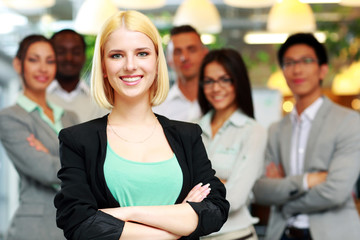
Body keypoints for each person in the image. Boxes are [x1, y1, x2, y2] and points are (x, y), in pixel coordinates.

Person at [54, 10, 229, 240]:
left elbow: (215, 210)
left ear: (157, 62)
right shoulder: (77, 140)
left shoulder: (188, 135)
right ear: (104, 67)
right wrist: (175, 225)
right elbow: (80, 223)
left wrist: (129, 213)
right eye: (116, 55)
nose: (130, 65)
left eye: (142, 53)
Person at [253, 33, 360, 240]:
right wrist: (306, 181)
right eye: (289, 63)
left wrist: (284, 198)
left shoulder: (349, 121)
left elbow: (335, 191)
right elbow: (261, 190)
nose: (297, 69)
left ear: (323, 69)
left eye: (306, 61)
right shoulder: (276, 130)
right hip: (282, 233)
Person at [0, 34, 78, 240]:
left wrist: (52, 156)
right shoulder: (10, 118)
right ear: (18, 64)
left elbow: (90, 167)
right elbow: (47, 171)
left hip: (77, 225)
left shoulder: (70, 117)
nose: (43, 68)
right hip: (35, 230)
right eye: (34, 60)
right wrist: (80, 165)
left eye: (50, 61)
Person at [197, 49, 266, 240]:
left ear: (238, 82)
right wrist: (220, 183)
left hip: (235, 235)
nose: (216, 88)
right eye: (209, 81)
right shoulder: (192, 128)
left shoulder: (253, 131)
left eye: (224, 79)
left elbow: (235, 198)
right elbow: (176, 185)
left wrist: (195, 189)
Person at [48, 29, 107, 123]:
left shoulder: (100, 100)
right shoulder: (36, 99)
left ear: (84, 56)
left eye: (76, 52)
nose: (69, 58)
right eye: (61, 52)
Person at [153, 25, 208, 122]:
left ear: (205, 54)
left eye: (192, 50)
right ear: (169, 59)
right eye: (177, 52)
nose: (184, 57)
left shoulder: (219, 100)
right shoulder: (158, 110)